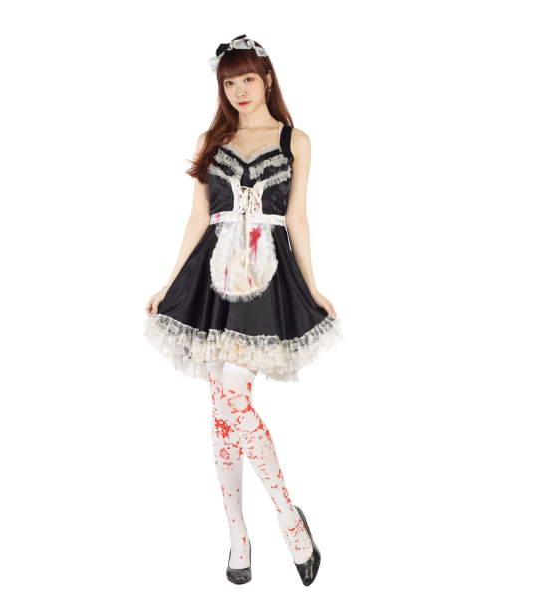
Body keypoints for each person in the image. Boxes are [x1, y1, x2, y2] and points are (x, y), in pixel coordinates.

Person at [143, 34, 344, 586]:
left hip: (265, 275)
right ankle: (238, 535)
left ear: (268, 79)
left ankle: (287, 518)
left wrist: (313, 287)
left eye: (248, 78)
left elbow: (297, 217)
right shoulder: (212, 139)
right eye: (229, 81)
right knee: (223, 410)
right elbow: (197, 218)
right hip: (211, 274)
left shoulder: (295, 140)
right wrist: (169, 283)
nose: (239, 90)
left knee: (232, 399)